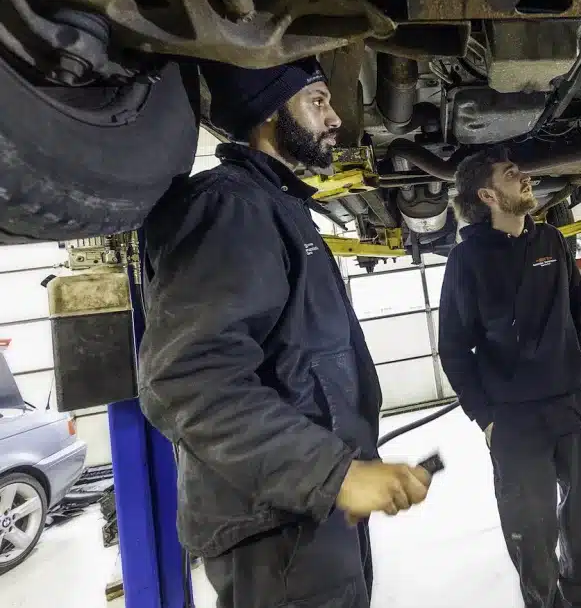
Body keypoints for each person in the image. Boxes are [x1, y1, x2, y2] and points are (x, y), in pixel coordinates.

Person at [137, 58, 432, 608]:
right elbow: (188, 377)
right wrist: (333, 473)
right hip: (276, 526)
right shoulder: (230, 205)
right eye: (317, 101)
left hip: (305, 510)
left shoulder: (276, 207)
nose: (336, 117)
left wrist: (340, 472)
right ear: (271, 112)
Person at [438, 148, 581, 608]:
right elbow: (455, 347)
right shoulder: (466, 261)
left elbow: (580, 313)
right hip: (515, 421)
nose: (527, 178)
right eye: (513, 175)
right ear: (489, 195)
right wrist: (486, 417)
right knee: (531, 535)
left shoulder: (550, 241)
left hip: (575, 407)